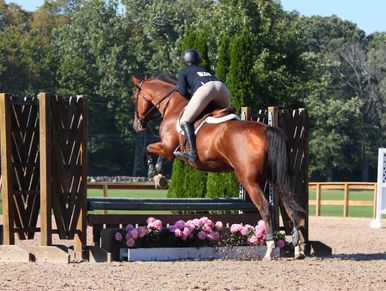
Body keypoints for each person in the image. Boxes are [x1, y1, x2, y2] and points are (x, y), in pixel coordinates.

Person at [174, 48, 231, 162]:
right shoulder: (204, 70)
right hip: (222, 87)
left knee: (185, 120)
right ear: (198, 60)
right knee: (228, 116)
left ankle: (192, 153)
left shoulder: (183, 71)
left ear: (185, 60)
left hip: (206, 90)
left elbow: (183, 92)